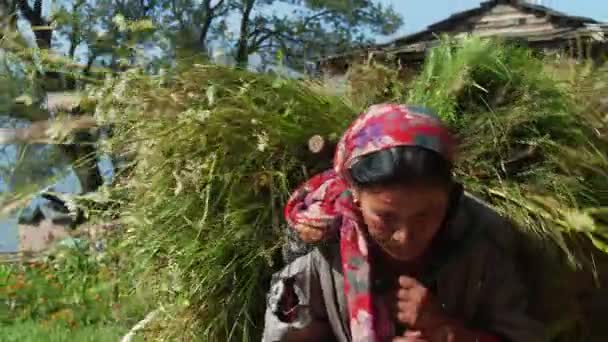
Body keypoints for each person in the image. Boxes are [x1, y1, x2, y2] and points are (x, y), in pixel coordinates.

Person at [262, 104, 545, 342]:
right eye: (385, 218)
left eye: (424, 215)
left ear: (449, 195)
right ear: (355, 195)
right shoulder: (319, 246)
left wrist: (447, 332)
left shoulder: (484, 241)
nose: (405, 237)